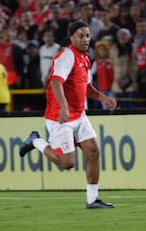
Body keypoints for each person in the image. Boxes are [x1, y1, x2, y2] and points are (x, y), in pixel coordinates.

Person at [19, 21, 117, 209]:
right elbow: (56, 82)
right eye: (80, 35)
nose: (85, 39)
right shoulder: (66, 55)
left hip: (79, 116)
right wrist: (64, 107)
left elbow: (85, 86)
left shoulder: (86, 57)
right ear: (71, 37)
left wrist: (103, 97)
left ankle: (92, 199)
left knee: (94, 152)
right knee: (67, 163)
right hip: (60, 117)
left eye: (87, 35)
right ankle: (35, 141)